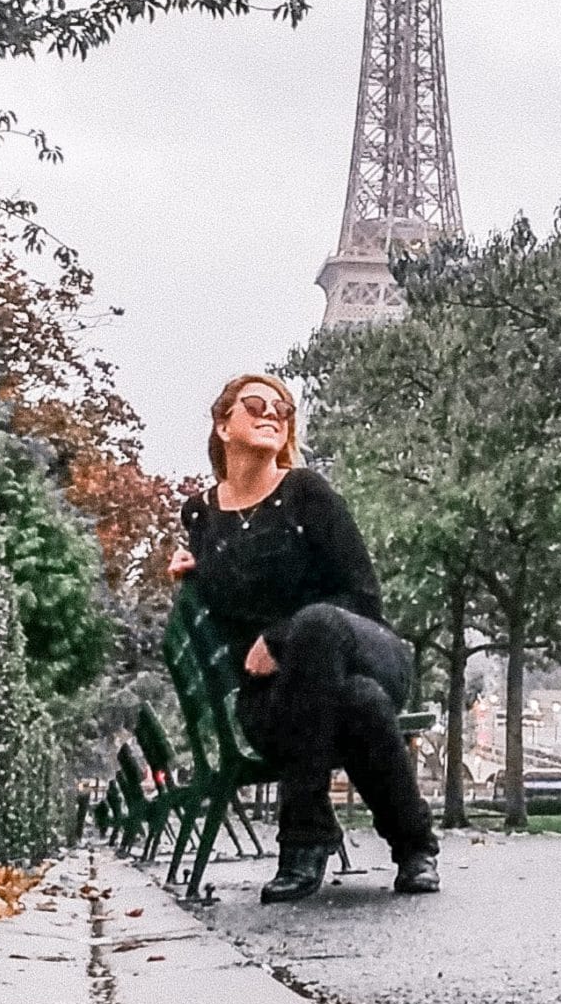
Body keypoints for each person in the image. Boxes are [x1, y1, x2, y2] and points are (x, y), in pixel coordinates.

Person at [168, 372, 440, 904]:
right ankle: (415, 849)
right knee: (358, 705)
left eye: (283, 408)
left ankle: (303, 838)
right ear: (224, 424)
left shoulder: (306, 492)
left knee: (317, 625)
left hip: (364, 651)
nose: (272, 413)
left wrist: (282, 637)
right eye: (255, 404)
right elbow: (229, 606)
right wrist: (195, 576)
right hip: (281, 700)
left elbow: (363, 597)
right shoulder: (201, 515)